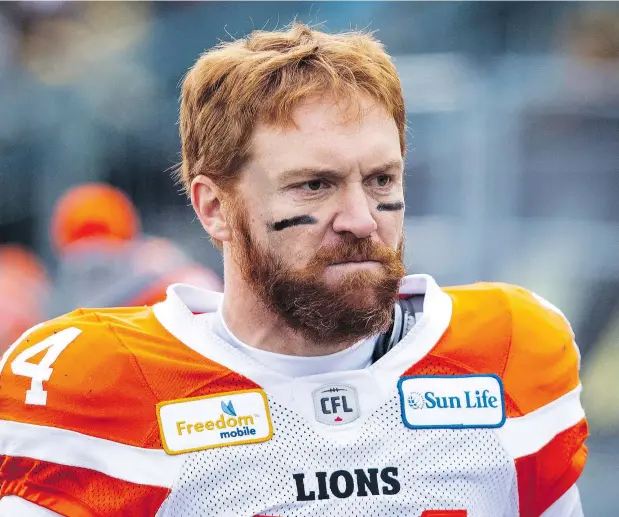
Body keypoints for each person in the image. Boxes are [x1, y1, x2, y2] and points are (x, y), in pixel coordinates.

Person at [0, 23, 587, 516]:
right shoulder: (95, 386)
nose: (360, 218)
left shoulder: (508, 354)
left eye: (381, 179)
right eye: (313, 185)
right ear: (214, 208)